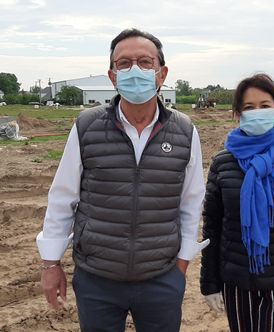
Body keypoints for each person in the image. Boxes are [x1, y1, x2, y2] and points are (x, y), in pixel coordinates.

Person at [36, 28, 208, 332]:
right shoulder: (86, 127)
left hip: (161, 277)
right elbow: (63, 198)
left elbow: (191, 201)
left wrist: (181, 264)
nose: (135, 70)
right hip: (97, 280)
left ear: (162, 73)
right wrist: (51, 263)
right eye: (124, 64)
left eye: (145, 62)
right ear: (113, 76)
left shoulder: (184, 131)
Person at [200, 73, 274, 332]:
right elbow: (212, 226)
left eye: (264, 106)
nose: (258, 112)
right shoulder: (222, 163)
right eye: (249, 107)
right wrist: (209, 283)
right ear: (237, 114)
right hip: (236, 282)